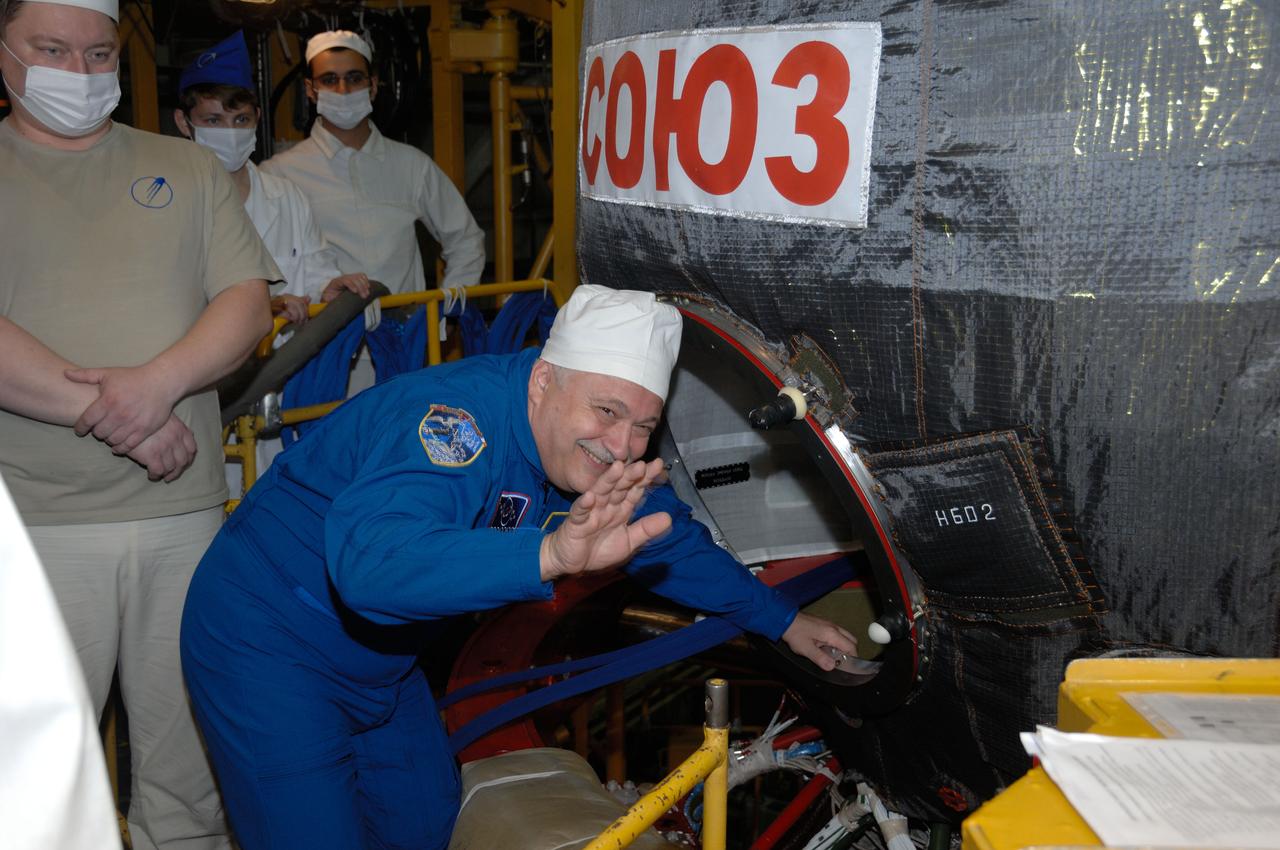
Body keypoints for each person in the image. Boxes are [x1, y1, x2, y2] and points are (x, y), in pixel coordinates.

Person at [181, 284, 859, 849]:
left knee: (421, 822)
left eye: (643, 426)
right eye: (606, 411)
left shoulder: (593, 454)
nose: (621, 446)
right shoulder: (454, 426)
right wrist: (550, 553)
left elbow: (669, 540)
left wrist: (786, 621)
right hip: (265, 639)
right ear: (543, 382)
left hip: (376, 660)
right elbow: (369, 565)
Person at [0, 1, 278, 847]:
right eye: (52, 50)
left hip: (183, 519)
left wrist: (155, 386)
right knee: (34, 779)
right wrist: (123, 416)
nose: (78, 74)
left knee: (191, 776)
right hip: (34, 526)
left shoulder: (184, 170)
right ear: (4, 51)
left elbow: (246, 302)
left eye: (95, 53)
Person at [174, 30, 371, 489]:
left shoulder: (285, 197)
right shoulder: (168, 204)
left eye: (240, 118)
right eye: (213, 120)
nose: (229, 132)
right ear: (184, 124)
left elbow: (315, 263)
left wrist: (331, 287)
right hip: (206, 403)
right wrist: (262, 309)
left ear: (257, 119)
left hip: (288, 400)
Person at [262, 29, 486, 392]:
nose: (343, 90)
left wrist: (443, 313)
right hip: (321, 354)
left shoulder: (411, 166)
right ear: (310, 89)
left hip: (404, 350)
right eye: (329, 80)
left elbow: (466, 239)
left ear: (374, 85)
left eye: (354, 78)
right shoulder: (279, 174)